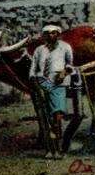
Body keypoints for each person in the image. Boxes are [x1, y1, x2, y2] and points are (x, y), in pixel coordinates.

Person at [29, 24, 74, 158]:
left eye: (54, 33)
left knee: (57, 116)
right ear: (44, 36)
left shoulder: (65, 47)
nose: (51, 35)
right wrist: (36, 83)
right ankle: (50, 149)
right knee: (46, 118)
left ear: (58, 34)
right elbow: (33, 69)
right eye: (47, 33)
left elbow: (70, 65)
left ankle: (60, 149)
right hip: (42, 82)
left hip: (58, 83)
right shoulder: (39, 50)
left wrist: (65, 72)